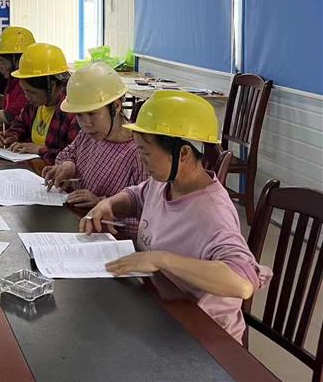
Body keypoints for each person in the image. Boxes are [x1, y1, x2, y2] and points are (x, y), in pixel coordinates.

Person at [80, 91, 271, 341]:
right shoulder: (164, 182)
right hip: (162, 305)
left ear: (183, 154)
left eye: (145, 152)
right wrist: (109, 204)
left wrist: (161, 259)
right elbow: (137, 196)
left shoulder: (212, 213)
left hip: (202, 332)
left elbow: (242, 283)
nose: (140, 159)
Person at [41, 63, 146, 236]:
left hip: (107, 240)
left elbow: (145, 220)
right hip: (78, 224)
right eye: (79, 115)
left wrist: (101, 204)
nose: (86, 123)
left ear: (116, 106)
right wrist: (68, 165)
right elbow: (68, 153)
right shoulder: (89, 135)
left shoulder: (138, 153)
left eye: (92, 114)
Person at [0, 43, 79, 163]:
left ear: (52, 86)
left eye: (31, 92)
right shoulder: (35, 104)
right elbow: (20, 124)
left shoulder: (72, 111)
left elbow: (75, 157)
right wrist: (11, 136)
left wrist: (41, 150)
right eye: (24, 90)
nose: (27, 97)